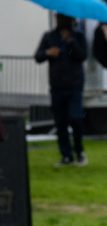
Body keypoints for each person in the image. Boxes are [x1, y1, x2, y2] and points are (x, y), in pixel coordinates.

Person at [34, 16, 89, 167]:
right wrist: (47, 53)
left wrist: (70, 41)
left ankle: (79, 151)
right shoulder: (49, 36)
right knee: (60, 122)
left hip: (75, 85)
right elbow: (38, 56)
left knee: (76, 118)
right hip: (57, 85)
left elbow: (82, 56)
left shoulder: (78, 36)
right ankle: (66, 155)